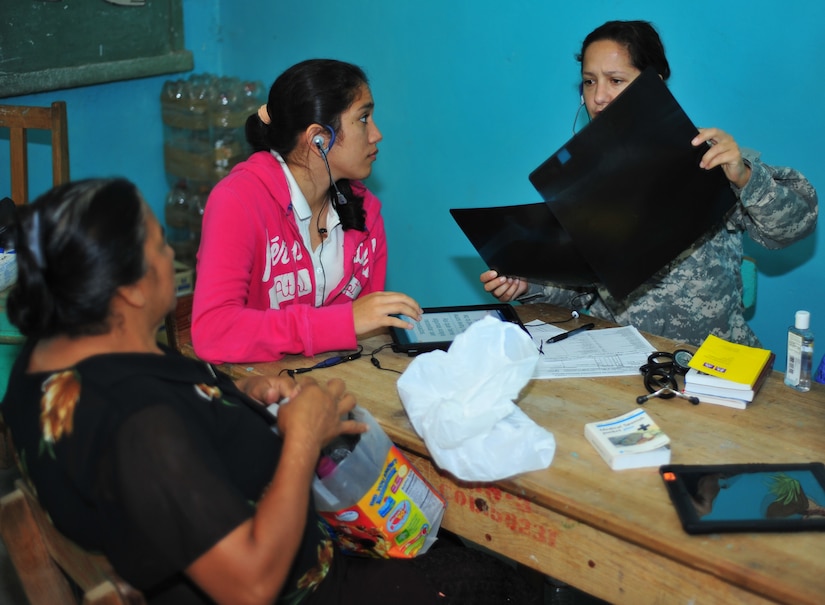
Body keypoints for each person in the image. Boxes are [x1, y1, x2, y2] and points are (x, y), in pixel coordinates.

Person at [0, 178, 541, 605]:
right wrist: (303, 441)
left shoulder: (50, 361)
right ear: (127, 291)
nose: (172, 256)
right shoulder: (139, 425)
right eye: (160, 244)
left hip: (230, 543)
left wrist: (238, 399)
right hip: (302, 588)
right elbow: (250, 587)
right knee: (491, 579)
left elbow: (169, 428)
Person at [481, 20, 817, 347]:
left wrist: (745, 177)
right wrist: (525, 284)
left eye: (615, 80)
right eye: (589, 81)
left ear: (652, 83)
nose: (599, 97)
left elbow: (793, 228)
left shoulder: (708, 156)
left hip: (712, 359)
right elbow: (579, 285)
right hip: (621, 356)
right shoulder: (579, 179)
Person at [192, 59, 422, 364]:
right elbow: (213, 333)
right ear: (319, 139)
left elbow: (366, 339)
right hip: (257, 390)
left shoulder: (366, 209)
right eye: (364, 118)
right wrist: (343, 322)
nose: (376, 134)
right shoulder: (238, 200)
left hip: (333, 383)